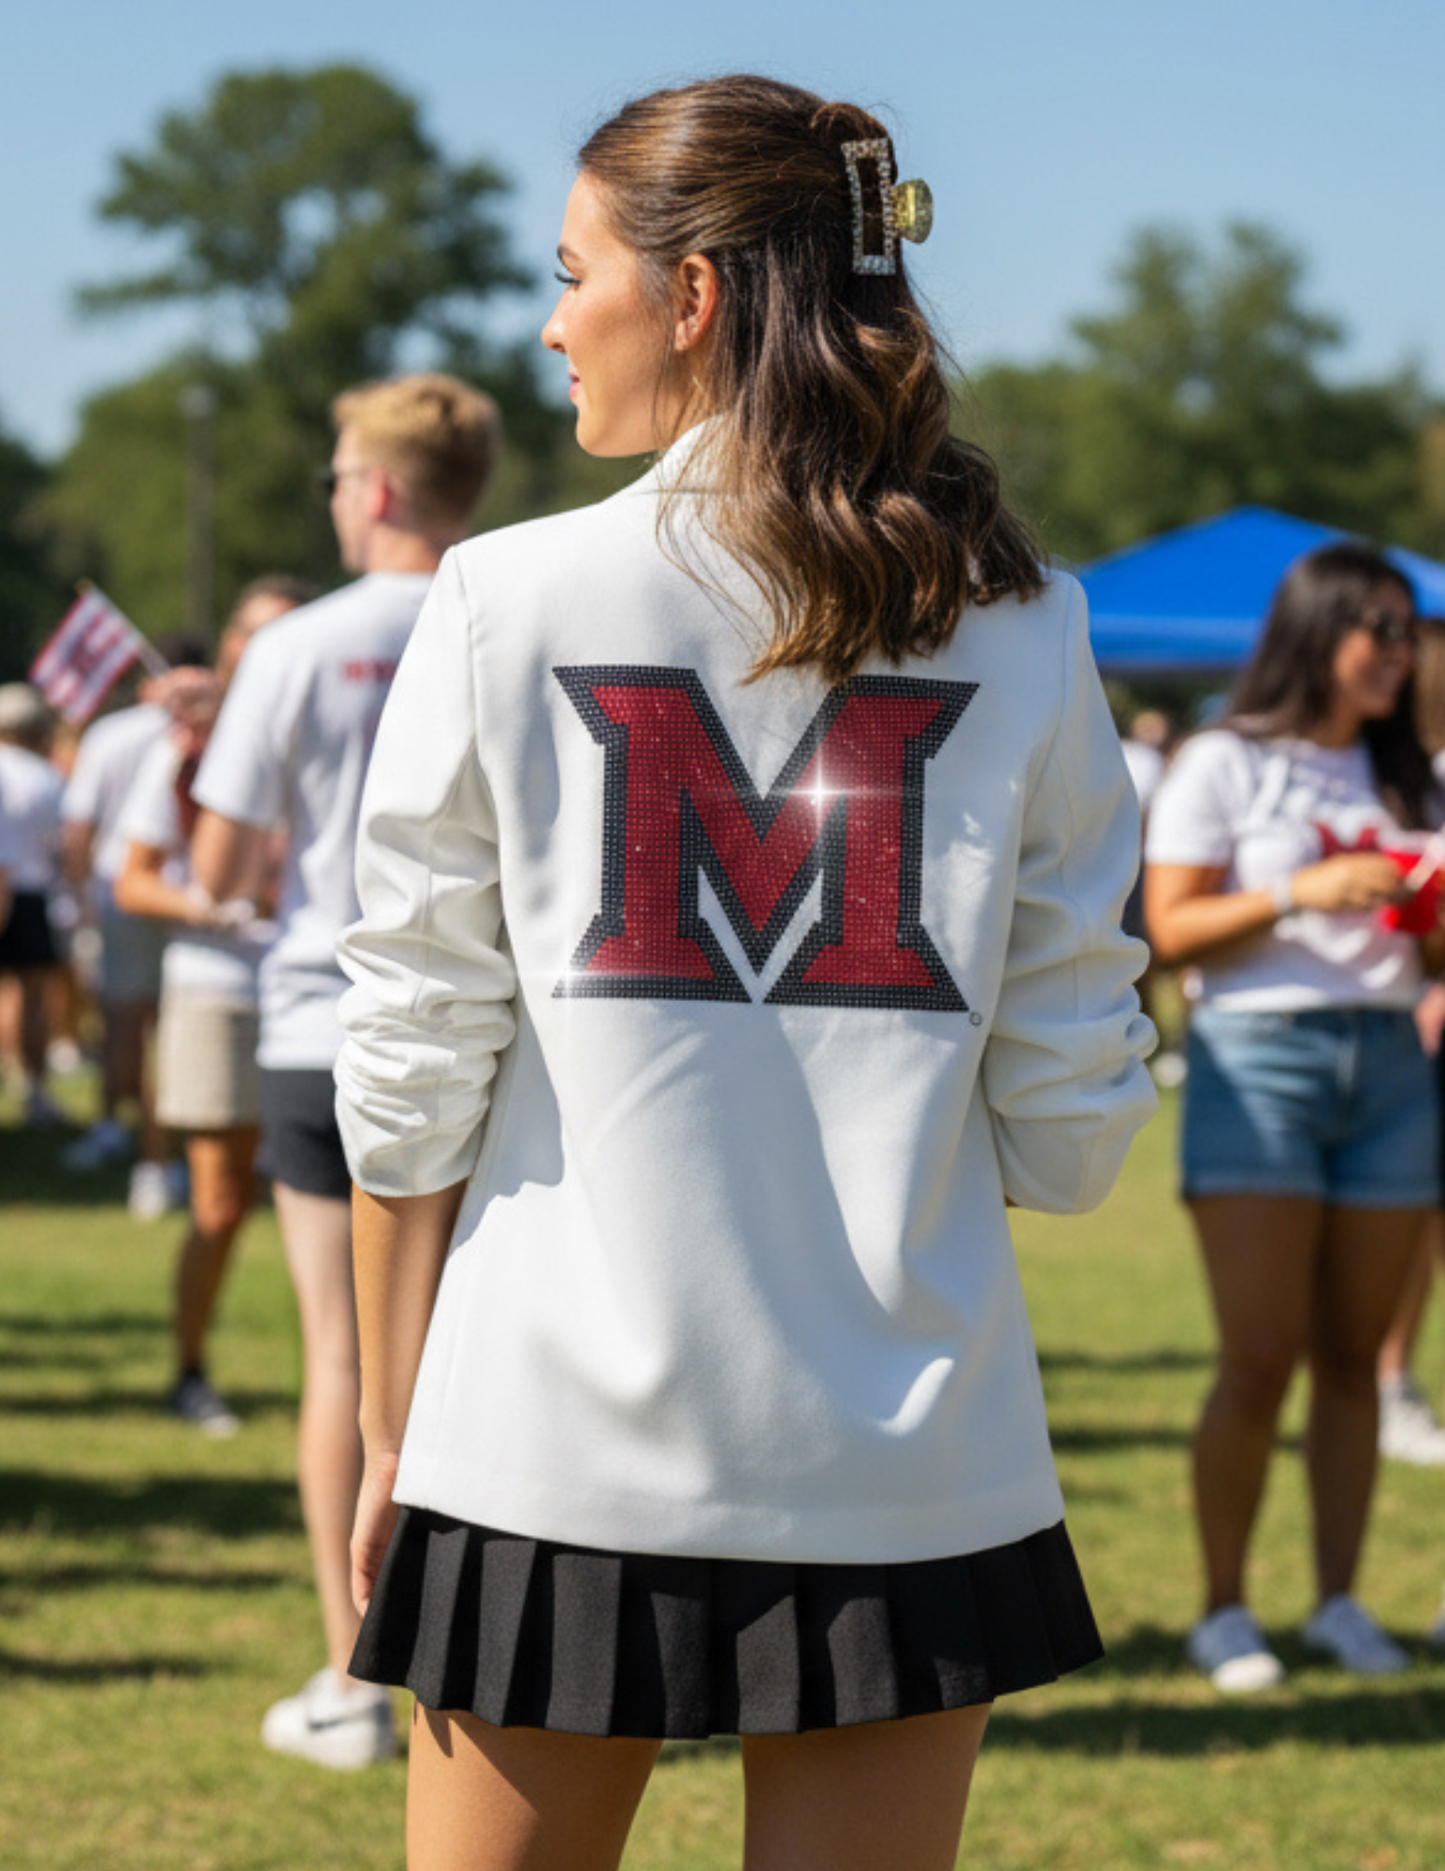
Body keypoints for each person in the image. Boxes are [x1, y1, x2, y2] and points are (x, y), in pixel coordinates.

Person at [334, 77, 1156, 1871]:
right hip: (911, 1447)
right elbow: (1079, 1134)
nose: (551, 324)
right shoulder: (1036, 625)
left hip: (542, 1429)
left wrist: (396, 1423)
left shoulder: (502, 597)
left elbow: (405, 1083)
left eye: (572, 273)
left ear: (693, 295)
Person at [189, 374, 500, 1766]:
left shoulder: (301, 642)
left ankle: (353, 1676)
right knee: (480, 1352)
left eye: (333, 474)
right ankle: (491, 1661)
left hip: (326, 1025)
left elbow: (223, 868)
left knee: (341, 1353)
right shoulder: (512, 607)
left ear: (373, 488)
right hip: (499, 1032)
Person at [1145, 541, 1440, 1692]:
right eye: (1380, 626)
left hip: (1387, 1061)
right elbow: (1166, 935)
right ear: (1316, 631)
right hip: (1255, 1057)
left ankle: (1336, 1599)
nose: (1399, 651)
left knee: (1354, 1365)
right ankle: (1222, 1608)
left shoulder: (1408, 774)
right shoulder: (1223, 759)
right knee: (1258, 1355)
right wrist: (1295, 893)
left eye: (1407, 631)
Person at [113, 578, 312, 1433]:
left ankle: (342, 1389)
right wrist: (205, 906)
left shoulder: (339, 728)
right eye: (246, 633)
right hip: (223, 988)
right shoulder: (189, 750)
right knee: (222, 1202)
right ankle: (190, 1368)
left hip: (318, 985)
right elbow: (132, 878)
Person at [61, 642, 211, 1214]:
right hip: (171, 891)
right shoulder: (188, 733)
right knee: (159, 1026)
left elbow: (81, 827)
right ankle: (160, 1154)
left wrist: (79, 900)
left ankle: (124, 1135)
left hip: (133, 894)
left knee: (129, 1019)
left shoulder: (112, 734)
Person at [0, 684, 66, 1124]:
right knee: (32, 995)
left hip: (18, 888)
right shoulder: (47, 777)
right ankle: (33, 1086)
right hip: (32, 892)